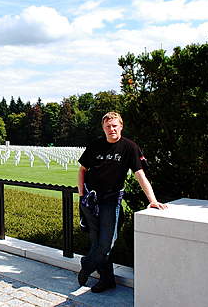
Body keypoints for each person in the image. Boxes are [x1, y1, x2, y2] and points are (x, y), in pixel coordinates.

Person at [77, 111, 168, 293]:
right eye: (108, 126)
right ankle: (106, 279)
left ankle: (87, 264)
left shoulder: (129, 147)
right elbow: (82, 170)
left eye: (114, 126)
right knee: (96, 242)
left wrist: (153, 200)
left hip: (111, 200)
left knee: (107, 242)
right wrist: (81, 196)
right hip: (91, 199)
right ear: (103, 128)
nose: (111, 129)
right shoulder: (95, 145)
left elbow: (140, 174)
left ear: (121, 126)